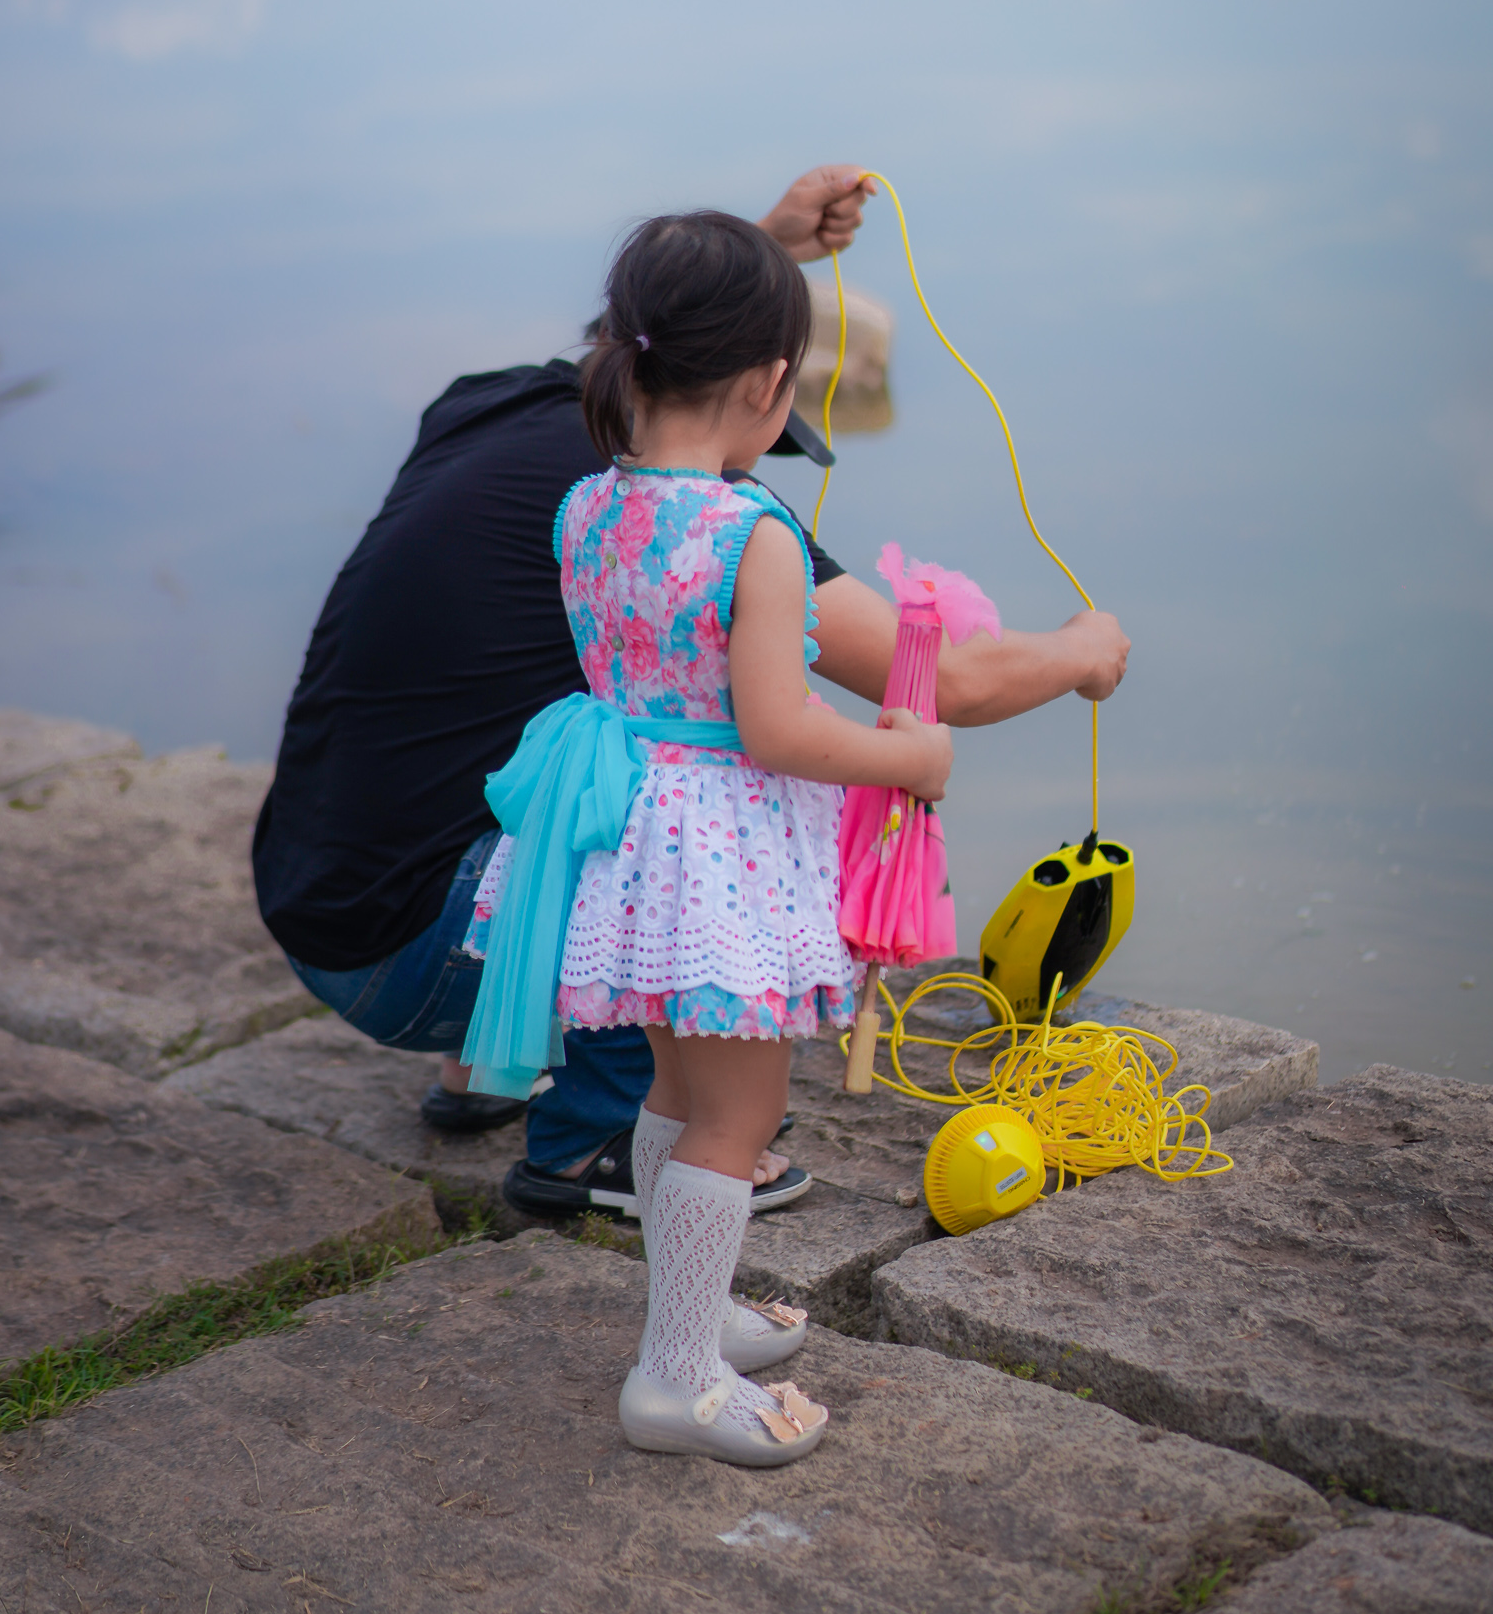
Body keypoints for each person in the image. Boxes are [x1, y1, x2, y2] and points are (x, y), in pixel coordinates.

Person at [251, 166, 1129, 1223]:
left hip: (319, 904)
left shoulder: (500, 418)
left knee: (592, 750)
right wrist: (1083, 652)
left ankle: (488, 1063)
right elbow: (937, 679)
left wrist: (761, 248)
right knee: (689, 856)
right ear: (765, 391)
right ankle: (594, 1143)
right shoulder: (720, 520)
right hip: (420, 954)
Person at [462, 210, 960, 1464]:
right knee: (736, 1122)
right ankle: (674, 1377)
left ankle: (693, 1315)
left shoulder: (588, 503)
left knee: (679, 1098)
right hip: (715, 854)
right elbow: (780, 729)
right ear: (770, 384)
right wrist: (911, 753)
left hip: (627, 830)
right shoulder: (756, 534)